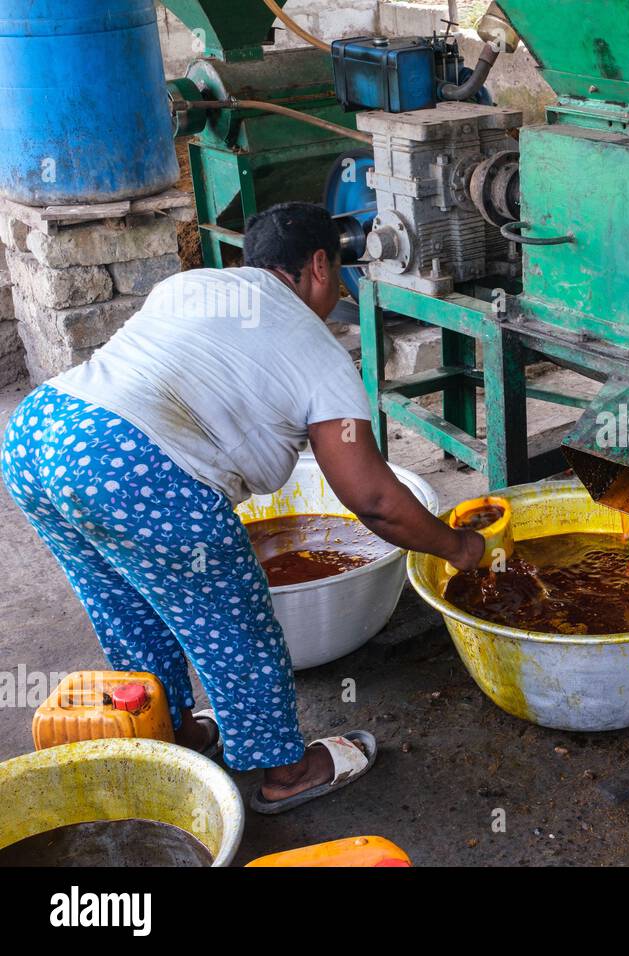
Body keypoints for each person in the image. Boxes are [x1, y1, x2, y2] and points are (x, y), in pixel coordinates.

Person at [1, 202, 484, 812]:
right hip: (132, 466)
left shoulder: (189, 284)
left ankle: (171, 732)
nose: (336, 286)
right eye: (337, 271)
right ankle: (287, 771)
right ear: (317, 264)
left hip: (39, 431)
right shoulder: (319, 351)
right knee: (235, 624)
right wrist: (459, 547)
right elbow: (376, 501)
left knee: (128, 606)